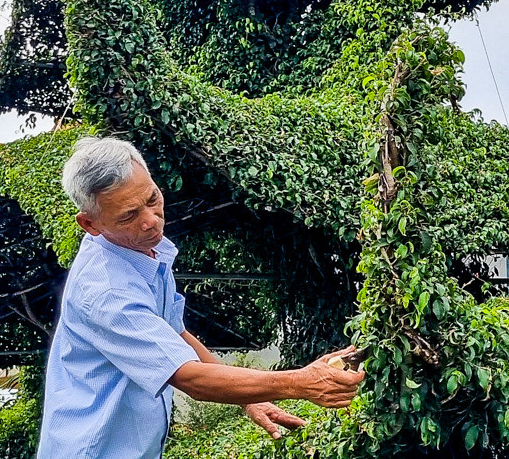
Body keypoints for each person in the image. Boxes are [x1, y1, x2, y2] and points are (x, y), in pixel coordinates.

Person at [37, 136, 364, 459]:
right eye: (128, 216)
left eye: (152, 199)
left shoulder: (141, 250)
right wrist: (301, 382)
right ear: (89, 223)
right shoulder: (106, 291)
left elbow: (175, 333)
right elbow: (189, 377)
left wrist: (249, 398)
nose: (151, 221)